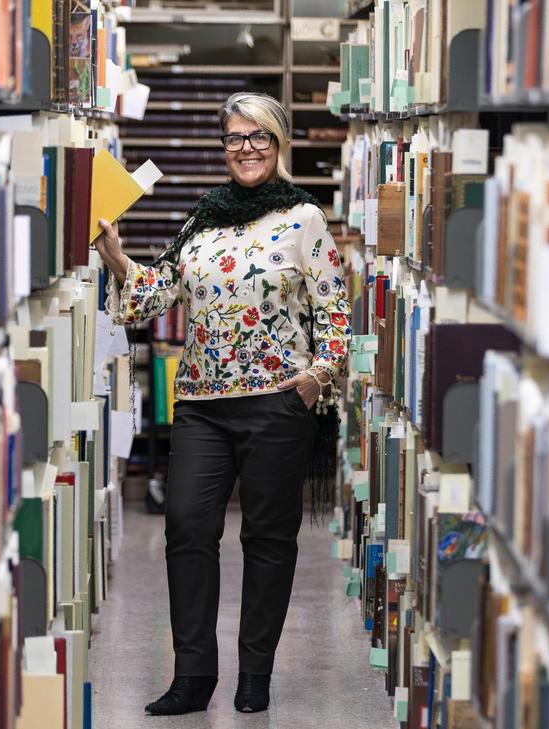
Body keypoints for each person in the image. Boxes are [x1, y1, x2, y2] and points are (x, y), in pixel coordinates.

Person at [95, 91, 351, 716]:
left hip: (276, 404)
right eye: (235, 138)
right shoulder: (202, 219)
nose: (247, 149)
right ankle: (194, 676)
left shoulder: (304, 218)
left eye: (259, 137)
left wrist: (318, 376)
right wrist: (117, 258)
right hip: (203, 405)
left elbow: (335, 311)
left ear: (279, 143)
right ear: (224, 148)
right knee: (187, 528)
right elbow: (152, 297)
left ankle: (255, 673)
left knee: (268, 538)